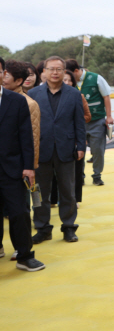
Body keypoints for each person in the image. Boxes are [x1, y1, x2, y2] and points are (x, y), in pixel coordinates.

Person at [28, 56, 86, 243]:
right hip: (40, 150)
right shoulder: (34, 94)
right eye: (51, 69)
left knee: (68, 191)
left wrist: (81, 145)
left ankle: (69, 227)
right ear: (43, 71)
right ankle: (42, 228)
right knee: (39, 192)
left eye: (59, 69)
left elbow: (79, 122)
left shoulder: (74, 94)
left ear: (64, 72)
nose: (55, 72)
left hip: (66, 148)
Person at [0, 57, 45, 271]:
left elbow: (27, 136)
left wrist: (29, 166)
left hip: (12, 168)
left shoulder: (17, 101)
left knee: (19, 212)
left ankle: (25, 255)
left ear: (3, 74)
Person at [66, 59, 114, 186]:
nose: (67, 77)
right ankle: (79, 176)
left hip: (97, 120)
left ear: (76, 71)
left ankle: (97, 175)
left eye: (70, 74)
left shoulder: (96, 78)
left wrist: (109, 116)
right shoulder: (67, 82)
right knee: (77, 149)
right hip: (76, 122)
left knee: (98, 149)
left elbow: (106, 96)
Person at [64, 70, 91, 205]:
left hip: (75, 139)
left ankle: (76, 199)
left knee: (76, 171)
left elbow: (87, 116)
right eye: (64, 80)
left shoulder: (78, 96)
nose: (67, 82)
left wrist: (74, 120)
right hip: (55, 140)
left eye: (69, 80)